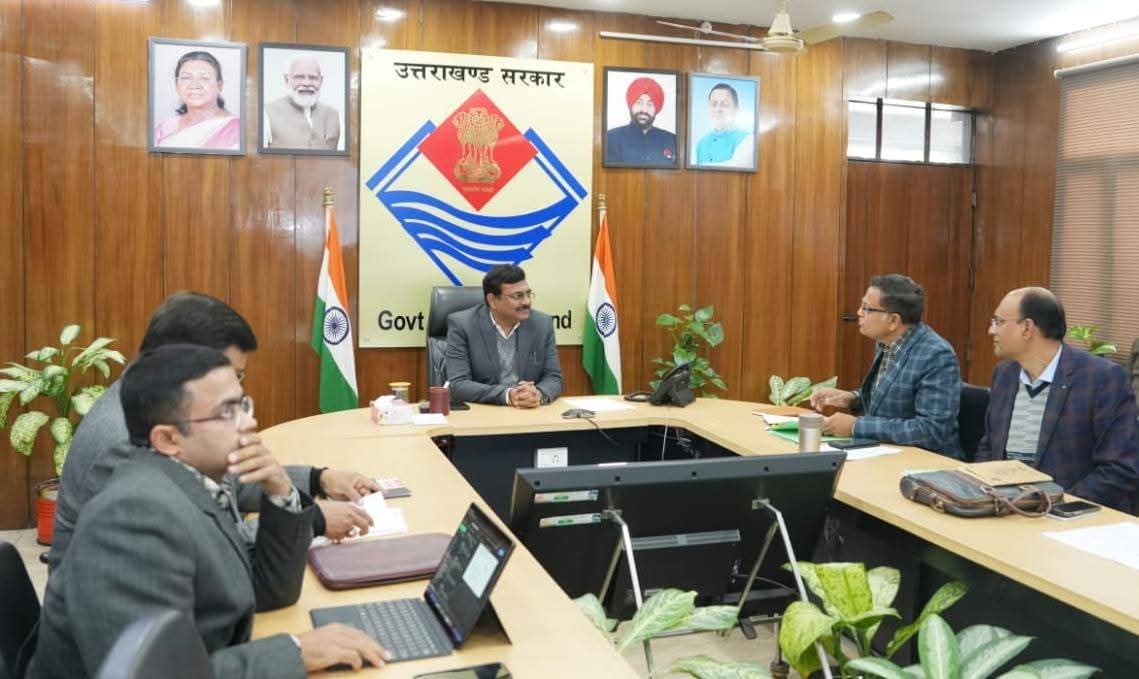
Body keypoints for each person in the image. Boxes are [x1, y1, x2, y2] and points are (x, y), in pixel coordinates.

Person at [28, 345, 388, 678]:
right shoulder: (130, 519)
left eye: (243, 405)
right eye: (227, 412)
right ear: (168, 439)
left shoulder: (191, 483)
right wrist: (295, 651)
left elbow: (268, 590)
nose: (249, 423)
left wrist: (281, 491)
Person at [49, 292, 377, 573]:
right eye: (229, 373)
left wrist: (319, 480)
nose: (237, 391)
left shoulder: (166, 405)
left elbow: (231, 484)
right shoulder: (123, 441)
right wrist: (311, 520)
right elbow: (207, 549)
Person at [975, 287, 1139, 513]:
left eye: (998, 322)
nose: (991, 330)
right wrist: (983, 493)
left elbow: (1119, 468)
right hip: (1004, 506)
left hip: (1068, 513)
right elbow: (988, 447)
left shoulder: (1101, 379)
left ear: (1027, 328)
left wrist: (1057, 505)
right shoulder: (1004, 374)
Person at [810, 274, 963, 457]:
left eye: (866, 308)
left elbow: (931, 430)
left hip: (928, 462)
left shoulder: (936, 355)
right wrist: (852, 398)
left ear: (893, 321)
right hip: (885, 453)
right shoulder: (887, 341)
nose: (859, 312)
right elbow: (888, 398)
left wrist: (856, 426)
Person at [445, 264, 563, 407]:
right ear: (492, 300)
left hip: (529, 412)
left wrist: (538, 394)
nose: (527, 302)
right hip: (484, 411)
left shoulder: (542, 324)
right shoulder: (463, 325)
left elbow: (553, 377)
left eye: (528, 294)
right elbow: (458, 384)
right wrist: (508, 395)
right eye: (518, 296)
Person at [155, 50, 240, 150]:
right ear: (177, 86)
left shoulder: (236, 129)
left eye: (204, 78)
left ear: (219, 85)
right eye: (186, 78)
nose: (194, 85)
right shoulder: (164, 128)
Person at [264, 55, 341, 150]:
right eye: (299, 77)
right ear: (287, 80)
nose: (306, 83)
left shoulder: (333, 115)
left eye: (313, 78)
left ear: (321, 81)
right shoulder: (267, 113)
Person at [604, 76, 678, 167]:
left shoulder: (672, 140)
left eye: (650, 104)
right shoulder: (611, 138)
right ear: (631, 105)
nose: (644, 110)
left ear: (656, 108)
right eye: (639, 102)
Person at [694, 83, 754, 167]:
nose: (718, 109)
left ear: (736, 109)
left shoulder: (748, 140)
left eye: (725, 104)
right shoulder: (701, 144)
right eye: (714, 104)